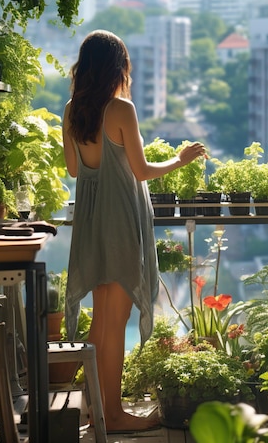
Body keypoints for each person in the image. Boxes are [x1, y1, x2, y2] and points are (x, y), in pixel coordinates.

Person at [61, 30, 206, 433]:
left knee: (100, 321)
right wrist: (179, 160)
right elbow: (141, 171)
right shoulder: (121, 110)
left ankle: (99, 412)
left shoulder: (72, 111)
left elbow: (75, 170)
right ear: (116, 67)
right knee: (114, 322)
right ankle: (114, 414)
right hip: (121, 221)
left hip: (90, 223)